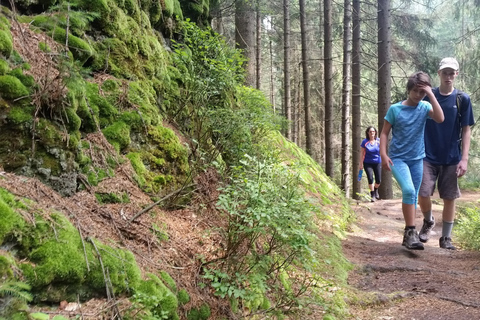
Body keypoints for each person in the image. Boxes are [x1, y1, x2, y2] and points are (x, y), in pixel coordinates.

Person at [380, 71, 444, 250]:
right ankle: (410, 232)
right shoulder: (395, 109)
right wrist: (383, 155)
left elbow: (440, 118)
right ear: (409, 90)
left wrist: (430, 94)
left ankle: (408, 236)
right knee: (408, 190)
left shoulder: (424, 107)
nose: (418, 95)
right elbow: (384, 133)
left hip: (417, 159)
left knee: (414, 195)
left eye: (421, 92)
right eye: (415, 91)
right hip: (398, 159)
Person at [418, 57, 475, 250]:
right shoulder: (427, 95)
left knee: (449, 197)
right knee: (423, 191)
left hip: (451, 156)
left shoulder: (462, 99)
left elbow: (466, 129)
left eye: (452, 73)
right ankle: (428, 221)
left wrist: (464, 159)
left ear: (456, 74)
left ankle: (446, 238)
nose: (448, 76)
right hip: (426, 154)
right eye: (445, 73)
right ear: (439, 73)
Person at [359, 126, 381, 202]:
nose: (372, 133)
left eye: (373, 131)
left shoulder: (379, 141)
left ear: (375, 133)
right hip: (367, 163)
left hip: (377, 162)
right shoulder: (364, 142)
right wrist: (360, 164)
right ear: (368, 133)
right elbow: (361, 154)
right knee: (370, 178)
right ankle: (372, 195)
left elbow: (382, 151)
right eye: (370, 132)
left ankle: (375, 190)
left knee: (378, 180)